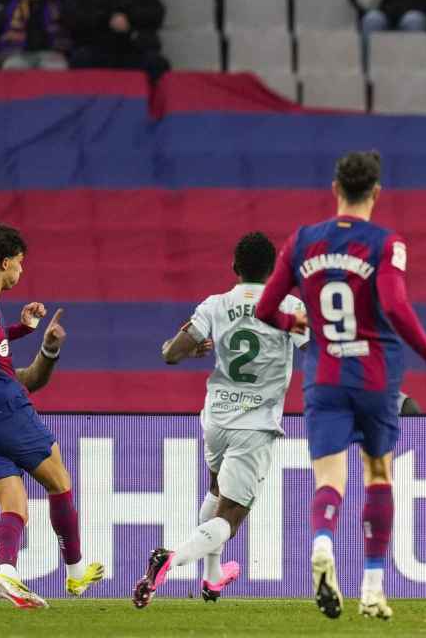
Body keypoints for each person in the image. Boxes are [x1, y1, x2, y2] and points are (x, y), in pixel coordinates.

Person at [256, 150, 426, 620]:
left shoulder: (302, 241)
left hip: (325, 377)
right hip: (374, 378)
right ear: (376, 193)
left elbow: (266, 308)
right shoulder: (385, 243)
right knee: (378, 474)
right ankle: (372, 588)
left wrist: (296, 318)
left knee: (330, 480)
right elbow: (395, 305)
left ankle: (323, 542)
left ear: (334, 189)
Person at [132, 232, 309, 608]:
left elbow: (169, 354)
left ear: (234, 267)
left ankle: (212, 578)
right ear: (275, 270)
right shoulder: (290, 305)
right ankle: (173, 559)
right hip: (255, 424)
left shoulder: (215, 304)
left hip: (216, 417)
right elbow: (318, 347)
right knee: (230, 515)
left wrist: (195, 349)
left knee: (215, 492)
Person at [0, 223, 103, 608]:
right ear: (5, 262)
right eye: (20, 264)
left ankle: (6, 573)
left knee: (14, 503)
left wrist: (22, 329)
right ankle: (75, 573)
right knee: (59, 480)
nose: (21, 271)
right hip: (5, 412)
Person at [63, 0, 169, 83]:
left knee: (157, 64)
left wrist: (128, 18)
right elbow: (75, 15)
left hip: (135, 49)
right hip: (96, 47)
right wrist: (108, 18)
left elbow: (155, 12)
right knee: (81, 60)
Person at [0, 0, 71, 70]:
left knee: (57, 67)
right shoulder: (10, 5)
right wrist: (2, 53)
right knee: (13, 66)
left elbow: (70, 29)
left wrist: (63, 51)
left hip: (50, 53)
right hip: (17, 54)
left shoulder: (56, 4)